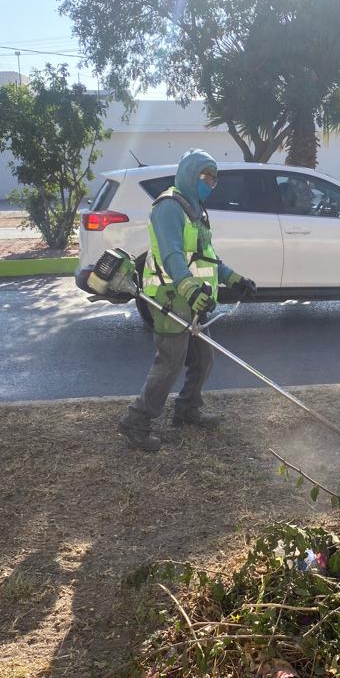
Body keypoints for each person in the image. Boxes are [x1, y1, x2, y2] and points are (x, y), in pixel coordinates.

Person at [117, 149, 256, 452]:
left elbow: (208, 257)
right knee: (170, 363)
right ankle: (135, 421)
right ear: (189, 173)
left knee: (203, 358)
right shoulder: (169, 207)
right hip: (172, 298)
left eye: (214, 178)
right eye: (205, 175)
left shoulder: (197, 210)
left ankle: (188, 409)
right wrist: (190, 289)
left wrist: (234, 279)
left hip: (195, 300)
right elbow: (172, 257)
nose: (209, 182)